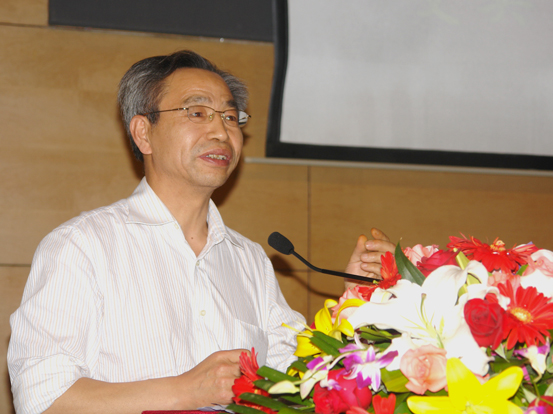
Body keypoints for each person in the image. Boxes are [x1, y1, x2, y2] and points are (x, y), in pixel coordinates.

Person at [8, 50, 394, 414]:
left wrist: (356, 301)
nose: (221, 132)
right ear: (143, 133)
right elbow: (41, 397)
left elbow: (300, 383)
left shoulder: (249, 260)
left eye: (230, 117)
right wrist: (186, 390)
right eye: (197, 113)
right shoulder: (82, 246)